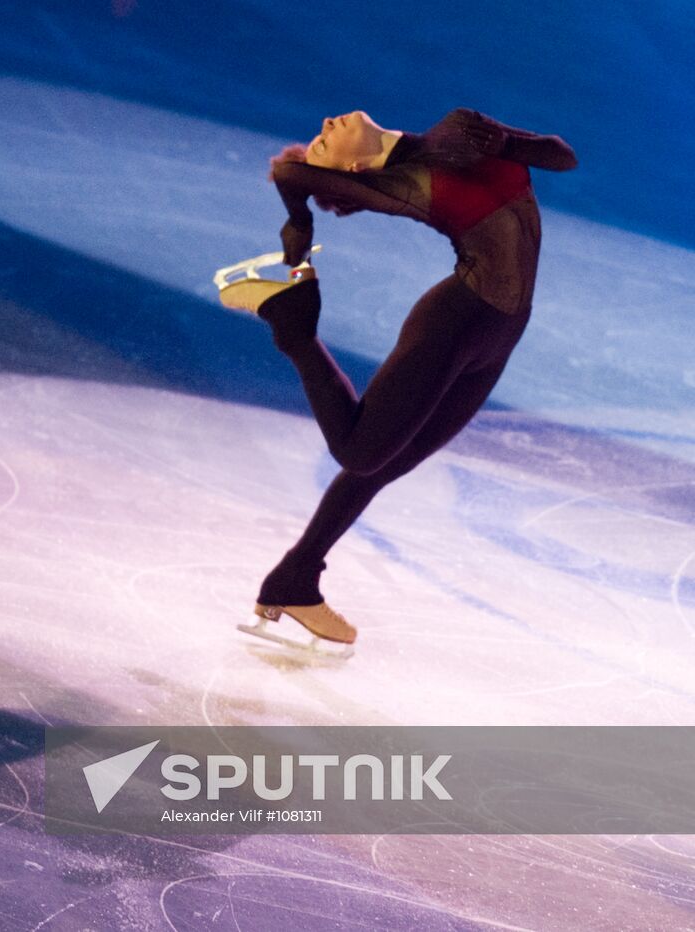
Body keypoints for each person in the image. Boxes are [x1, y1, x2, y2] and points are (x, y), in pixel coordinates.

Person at [232, 108, 577, 648]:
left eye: (321, 134)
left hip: (498, 334)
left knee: (387, 462)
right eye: (324, 145)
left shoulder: (461, 127)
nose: (325, 123)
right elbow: (288, 173)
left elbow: (561, 154)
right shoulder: (404, 187)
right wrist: (300, 219)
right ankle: (294, 332)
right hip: (454, 321)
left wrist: (509, 139)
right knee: (362, 455)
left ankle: (294, 579)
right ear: (357, 169)